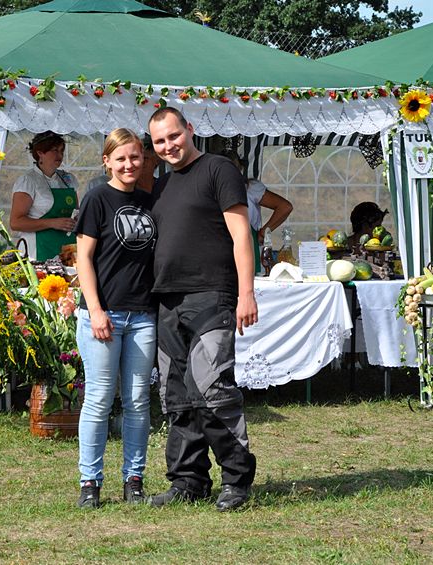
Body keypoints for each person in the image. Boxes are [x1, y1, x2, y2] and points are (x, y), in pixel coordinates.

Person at [147, 107, 258, 512]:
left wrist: (246, 292)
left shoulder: (218, 170)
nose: (168, 146)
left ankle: (236, 480)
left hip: (212, 294)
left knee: (212, 390)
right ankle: (188, 481)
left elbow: (241, 234)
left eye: (174, 136)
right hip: (167, 300)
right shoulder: (162, 185)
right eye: (160, 141)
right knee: (175, 396)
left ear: (190, 130)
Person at [74, 128, 158, 509]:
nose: (129, 164)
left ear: (144, 160)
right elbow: (83, 258)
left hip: (142, 315)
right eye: (121, 158)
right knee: (100, 398)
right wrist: (95, 310)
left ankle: (134, 479)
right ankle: (90, 482)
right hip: (103, 315)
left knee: (138, 400)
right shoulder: (96, 199)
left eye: (135, 157)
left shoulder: (150, 202)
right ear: (106, 161)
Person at [10, 131, 79, 261]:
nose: (60, 155)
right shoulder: (28, 180)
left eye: (61, 151)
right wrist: (53, 223)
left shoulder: (68, 179)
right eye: (54, 150)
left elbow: (76, 211)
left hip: (67, 248)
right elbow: (16, 222)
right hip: (37, 250)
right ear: (40, 153)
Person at [222, 150, 293, 273]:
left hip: (249, 246)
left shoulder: (250, 188)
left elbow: (285, 207)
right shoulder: (210, 190)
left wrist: (263, 232)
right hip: (222, 248)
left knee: (249, 277)